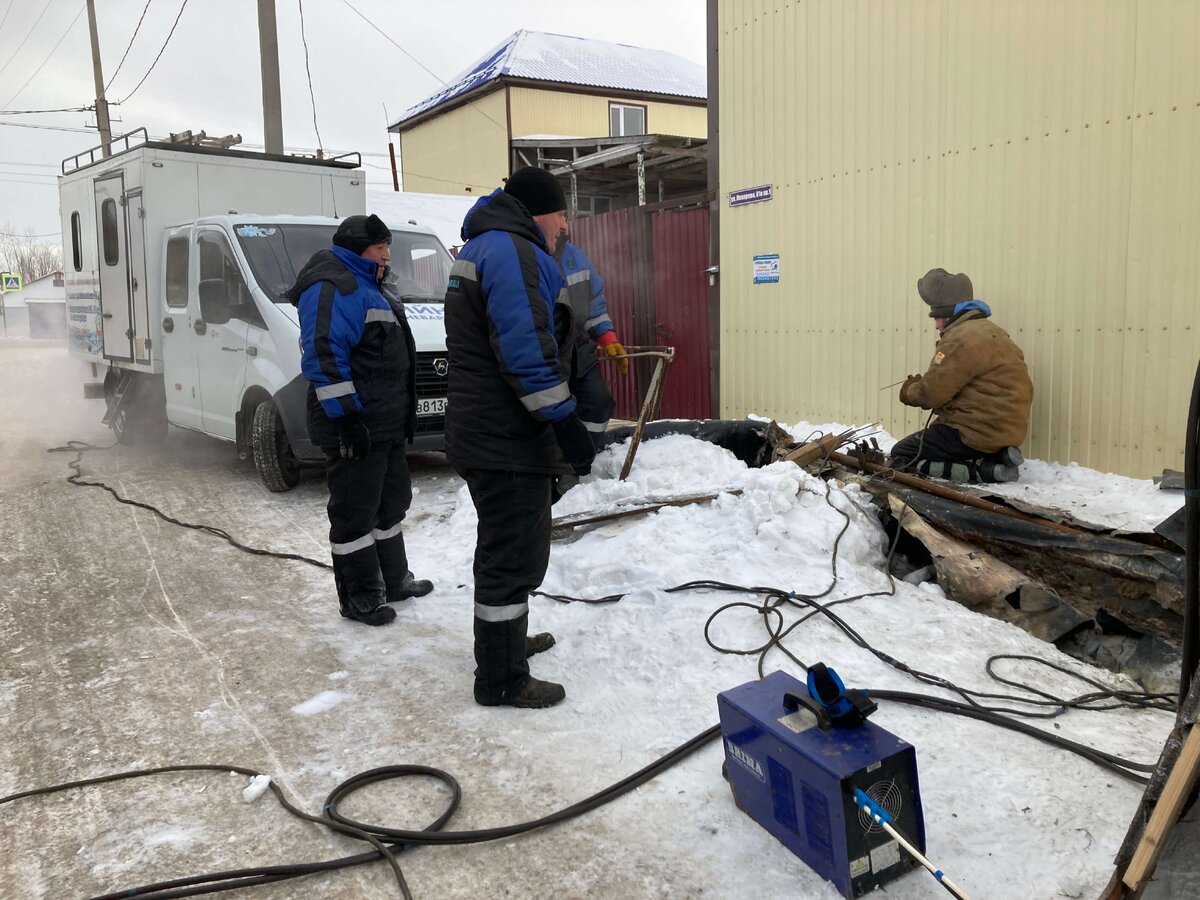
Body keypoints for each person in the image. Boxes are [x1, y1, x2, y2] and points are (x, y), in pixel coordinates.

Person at [445, 166, 596, 709]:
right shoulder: (511, 250)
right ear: (539, 212)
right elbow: (525, 349)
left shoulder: (490, 245)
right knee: (511, 556)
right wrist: (565, 422)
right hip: (505, 435)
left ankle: (506, 643)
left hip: (494, 431)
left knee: (517, 548)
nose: (564, 226)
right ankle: (502, 677)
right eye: (560, 215)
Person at [288, 214, 433, 626]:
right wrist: (347, 419)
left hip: (385, 423)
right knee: (355, 512)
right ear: (357, 250)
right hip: (354, 423)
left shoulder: (373, 286)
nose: (387, 255)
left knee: (390, 504)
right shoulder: (333, 286)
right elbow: (324, 355)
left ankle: (392, 580)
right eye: (380, 247)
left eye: (388, 246)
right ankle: (360, 598)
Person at [888, 268, 1033, 483]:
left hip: (974, 434)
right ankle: (996, 455)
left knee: (902, 454)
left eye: (937, 316)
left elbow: (932, 394)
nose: (936, 324)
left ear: (949, 314)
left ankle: (985, 471)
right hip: (1008, 431)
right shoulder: (995, 332)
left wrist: (909, 390)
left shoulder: (960, 339)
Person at [553, 237, 627, 442]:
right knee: (554, 412)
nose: (563, 225)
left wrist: (608, 338)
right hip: (546, 351)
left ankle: (584, 459)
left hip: (579, 349)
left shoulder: (576, 257)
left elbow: (593, 304)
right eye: (558, 216)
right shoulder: (525, 255)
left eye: (565, 217)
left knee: (598, 403)